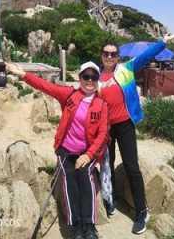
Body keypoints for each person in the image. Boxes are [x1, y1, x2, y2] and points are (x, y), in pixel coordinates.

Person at [6, 61, 108, 239]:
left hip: (87, 152)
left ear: (97, 79)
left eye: (94, 77)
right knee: (69, 180)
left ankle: (89, 226)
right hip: (66, 150)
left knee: (86, 180)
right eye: (86, 76)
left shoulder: (101, 104)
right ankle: (76, 226)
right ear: (80, 78)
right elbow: (46, 86)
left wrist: (88, 155)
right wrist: (22, 74)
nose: (90, 80)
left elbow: (102, 134)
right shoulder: (69, 95)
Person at [99, 34, 174, 235]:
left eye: (113, 53)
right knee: (107, 164)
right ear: (101, 56)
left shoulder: (126, 69)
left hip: (125, 125)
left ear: (117, 56)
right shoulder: (95, 76)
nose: (109, 56)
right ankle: (110, 198)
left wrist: (163, 42)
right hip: (105, 128)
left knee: (132, 167)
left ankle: (142, 211)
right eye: (106, 53)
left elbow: (147, 55)